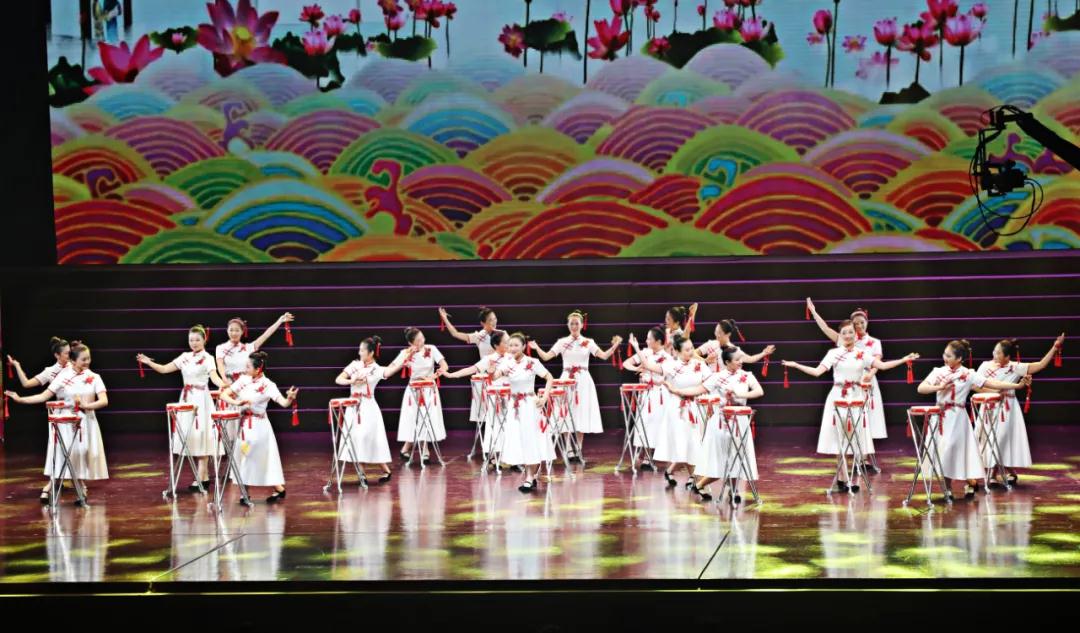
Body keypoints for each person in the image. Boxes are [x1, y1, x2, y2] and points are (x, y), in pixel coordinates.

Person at [782, 320, 918, 493]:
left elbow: (882, 366)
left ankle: (843, 479)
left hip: (857, 397)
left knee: (854, 439)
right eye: (844, 332)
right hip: (838, 397)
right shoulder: (833, 353)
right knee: (840, 439)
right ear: (840, 335)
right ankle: (844, 479)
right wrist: (796, 365)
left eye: (851, 332)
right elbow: (817, 372)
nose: (848, 335)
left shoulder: (862, 353)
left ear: (856, 334)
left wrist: (904, 359)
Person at [917, 339, 1029, 499]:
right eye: (944, 354)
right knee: (942, 452)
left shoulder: (968, 374)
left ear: (959, 358)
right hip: (940, 416)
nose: (945, 358)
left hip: (957, 417)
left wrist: (1017, 386)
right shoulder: (938, 371)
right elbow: (921, 388)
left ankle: (957, 485)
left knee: (952, 449)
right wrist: (939, 387)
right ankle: (959, 485)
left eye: (949, 356)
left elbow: (991, 383)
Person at [6, 342, 109, 505]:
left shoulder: (95, 377)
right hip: (64, 423)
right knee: (67, 455)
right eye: (83, 359)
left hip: (86, 422)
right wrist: (20, 400)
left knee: (81, 454)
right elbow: (43, 396)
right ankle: (74, 490)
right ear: (73, 361)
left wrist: (87, 406)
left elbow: (104, 400)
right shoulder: (62, 376)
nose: (87, 362)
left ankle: (80, 490)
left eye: (89, 358)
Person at [668, 346, 763, 503]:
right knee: (723, 457)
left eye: (741, 358)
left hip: (740, 420)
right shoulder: (717, 377)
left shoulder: (747, 375)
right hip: (721, 422)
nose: (741, 361)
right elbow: (698, 389)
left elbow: (759, 391)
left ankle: (733, 490)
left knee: (738, 455)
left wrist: (740, 394)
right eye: (737, 359)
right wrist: (677, 391)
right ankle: (701, 484)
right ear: (727, 362)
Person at [136, 325, 225, 490]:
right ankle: (204, 477)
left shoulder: (208, 358)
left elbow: (214, 377)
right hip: (187, 398)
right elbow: (164, 369)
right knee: (191, 436)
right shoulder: (185, 357)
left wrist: (225, 385)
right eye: (191, 340)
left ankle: (201, 477)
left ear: (204, 340)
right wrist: (148, 362)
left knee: (202, 434)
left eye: (197, 340)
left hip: (201, 399)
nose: (194, 343)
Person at [530, 310, 622, 460]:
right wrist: (536, 348)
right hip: (566, 378)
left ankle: (578, 449)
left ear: (581, 325)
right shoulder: (562, 342)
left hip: (583, 380)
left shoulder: (588, 342)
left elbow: (604, 355)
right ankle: (568, 449)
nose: (574, 326)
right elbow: (546, 357)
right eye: (571, 323)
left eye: (576, 323)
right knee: (565, 412)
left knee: (581, 413)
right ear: (568, 325)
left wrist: (615, 345)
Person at [975, 334, 1065, 486]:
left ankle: (993, 473)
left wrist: (1055, 347)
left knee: (1000, 439)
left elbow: (1041, 365)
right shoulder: (985, 366)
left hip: (1007, 408)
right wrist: (993, 392)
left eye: (998, 353)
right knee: (988, 439)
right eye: (994, 351)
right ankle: (1009, 471)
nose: (994, 354)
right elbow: (976, 386)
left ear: (1007, 356)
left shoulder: (1015, 367)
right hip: (988, 406)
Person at [807, 300, 888, 469]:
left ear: (867, 322)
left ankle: (863, 459)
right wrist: (814, 312)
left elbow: (878, 362)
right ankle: (844, 463)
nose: (859, 326)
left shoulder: (874, 342)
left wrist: (869, 375)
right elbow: (825, 329)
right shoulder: (846, 339)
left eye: (862, 322)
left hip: (867, 383)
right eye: (856, 323)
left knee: (865, 421)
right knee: (846, 421)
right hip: (848, 385)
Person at [629, 332, 711, 490]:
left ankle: (672, 472)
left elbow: (710, 383)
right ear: (677, 351)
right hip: (678, 410)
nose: (691, 352)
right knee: (686, 443)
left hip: (695, 408)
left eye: (692, 348)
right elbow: (648, 366)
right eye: (687, 349)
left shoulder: (699, 365)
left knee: (692, 444)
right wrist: (637, 348)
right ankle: (698, 482)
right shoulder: (671, 365)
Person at [218, 351, 298, 504]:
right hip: (244, 424)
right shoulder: (244, 379)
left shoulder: (268, 385)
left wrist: (289, 398)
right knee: (244, 456)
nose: (245, 368)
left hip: (259, 425)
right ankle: (247, 493)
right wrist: (237, 402)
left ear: (258, 369)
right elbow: (224, 395)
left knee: (255, 457)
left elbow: (283, 403)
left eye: (248, 366)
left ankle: (275, 488)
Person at [333, 336, 408, 483]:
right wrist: (351, 380)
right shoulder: (355, 365)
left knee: (369, 438)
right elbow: (338, 379)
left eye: (362, 350)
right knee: (356, 437)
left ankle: (383, 470)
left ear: (371, 352)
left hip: (368, 407)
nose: (359, 352)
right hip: (353, 406)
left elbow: (389, 372)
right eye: (360, 350)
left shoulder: (377, 369)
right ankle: (363, 473)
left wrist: (403, 360)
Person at [488, 333, 553, 493]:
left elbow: (549, 377)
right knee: (519, 439)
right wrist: (491, 372)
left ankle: (529, 477)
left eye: (516, 345)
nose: (512, 348)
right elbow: (495, 377)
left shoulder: (532, 362)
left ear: (523, 346)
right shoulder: (507, 362)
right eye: (510, 345)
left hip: (529, 404)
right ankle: (531, 475)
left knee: (530, 439)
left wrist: (544, 397)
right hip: (514, 406)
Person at [442, 330, 510, 467]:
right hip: (495, 398)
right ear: (497, 345)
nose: (510, 344)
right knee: (495, 425)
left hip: (511, 396)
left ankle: (512, 456)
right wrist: (451, 375)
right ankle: (494, 455)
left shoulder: (513, 357)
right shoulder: (489, 359)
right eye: (506, 342)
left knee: (511, 425)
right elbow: (471, 369)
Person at [439, 307, 500, 426]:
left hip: (500, 374)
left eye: (495, 318)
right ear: (483, 323)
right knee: (486, 412)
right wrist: (445, 319)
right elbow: (456, 334)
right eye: (490, 320)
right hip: (484, 373)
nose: (494, 321)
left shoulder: (502, 334)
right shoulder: (480, 336)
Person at [396, 327, 449, 463]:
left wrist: (434, 375)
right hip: (413, 389)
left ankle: (421, 448)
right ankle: (413, 448)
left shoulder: (431, 349)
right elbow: (393, 367)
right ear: (411, 343)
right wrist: (405, 359)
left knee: (426, 417)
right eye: (418, 340)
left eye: (422, 338)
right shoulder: (406, 352)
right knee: (414, 417)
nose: (422, 341)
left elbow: (444, 365)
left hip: (429, 388)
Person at [621, 326, 669, 470]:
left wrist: (636, 348)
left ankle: (652, 456)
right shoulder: (646, 352)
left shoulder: (667, 357)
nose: (646, 341)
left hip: (659, 394)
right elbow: (626, 363)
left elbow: (654, 369)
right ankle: (646, 455)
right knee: (645, 423)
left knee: (656, 423)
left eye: (649, 339)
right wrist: (636, 368)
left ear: (658, 341)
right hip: (645, 393)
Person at [215, 313, 294, 386]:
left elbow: (265, 335)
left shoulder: (248, 348)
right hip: (228, 384)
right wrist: (224, 379)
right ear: (227, 330)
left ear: (242, 332)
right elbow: (220, 365)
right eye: (231, 330)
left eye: (237, 330)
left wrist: (279, 321)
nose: (234, 333)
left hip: (246, 385)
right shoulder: (220, 348)